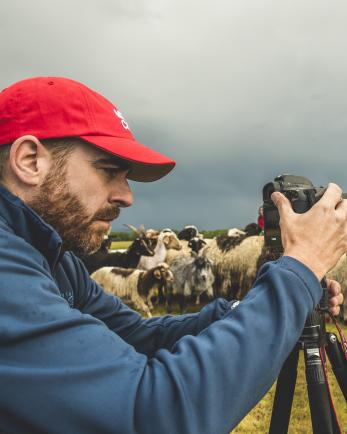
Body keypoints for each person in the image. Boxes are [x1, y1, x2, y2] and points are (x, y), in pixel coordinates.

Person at [0, 77, 345, 434]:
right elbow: (152, 416)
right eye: (109, 171)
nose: (126, 196)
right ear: (29, 161)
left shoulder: (53, 258)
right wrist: (300, 266)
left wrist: (255, 304)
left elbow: (136, 336)